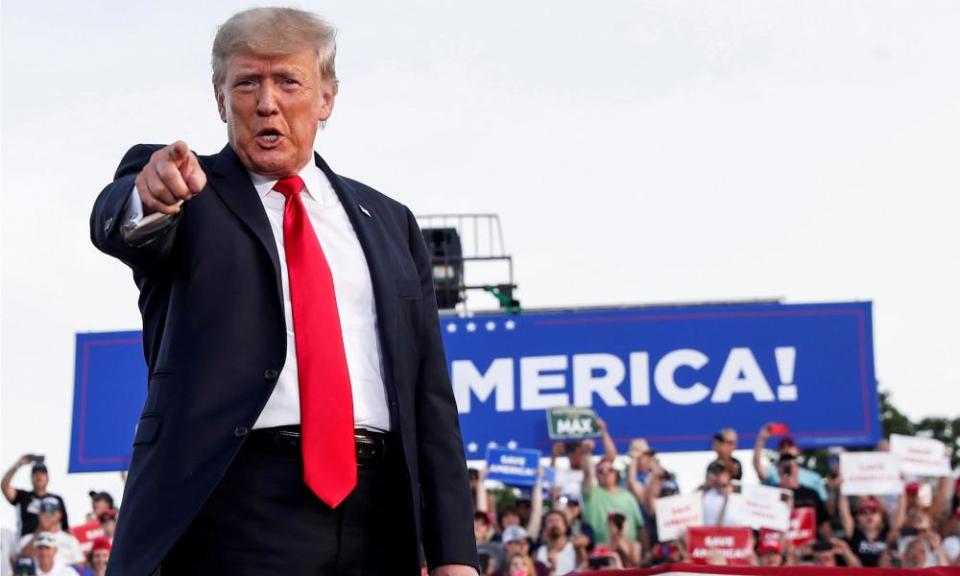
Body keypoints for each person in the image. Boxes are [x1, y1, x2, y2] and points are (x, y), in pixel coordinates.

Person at [89, 7, 477, 575]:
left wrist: (454, 556)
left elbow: (430, 397)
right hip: (233, 508)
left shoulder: (391, 223)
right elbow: (120, 219)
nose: (266, 102)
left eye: (288, 81)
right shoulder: (191, 193)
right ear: (221, 99)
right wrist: (150, 195)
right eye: (247, 82)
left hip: (381, 519)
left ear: (326, 99)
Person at [580, 441, 645, 549]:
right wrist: (587, 452)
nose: (605, 473)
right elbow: (587, 473)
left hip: (629, 554)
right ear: (596, 475)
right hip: (600, 552)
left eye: (610, 470)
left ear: (616, 473)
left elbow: (640, 527)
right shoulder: (591, 493)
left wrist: (645, 551)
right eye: (601, 471)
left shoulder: (628, 496)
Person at [2, 457, 70, 536]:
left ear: (48, 477)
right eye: (35, 473)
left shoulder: (57, 499)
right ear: (31, 477)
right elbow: (4, 486)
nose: (39, 476)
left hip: (52, 542)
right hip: (27, 543)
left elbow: (65, 526)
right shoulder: (23, 496)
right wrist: (18, 464)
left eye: (42, 473)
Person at [14, 498, 84, 566]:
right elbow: (19, 562)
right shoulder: (26, 539)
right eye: (43, 510)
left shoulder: (70, 540)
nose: (47, 514)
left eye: (51, 510)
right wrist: (38, 531)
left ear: (59, 515)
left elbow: (81, 566)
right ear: (39, 515)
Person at [535, 510, 576, 576]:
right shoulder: (538, 553)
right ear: (545, 527)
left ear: (565, 526)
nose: (554, 524)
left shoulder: (576, 549)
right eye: (550, 521)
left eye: (557, 520)